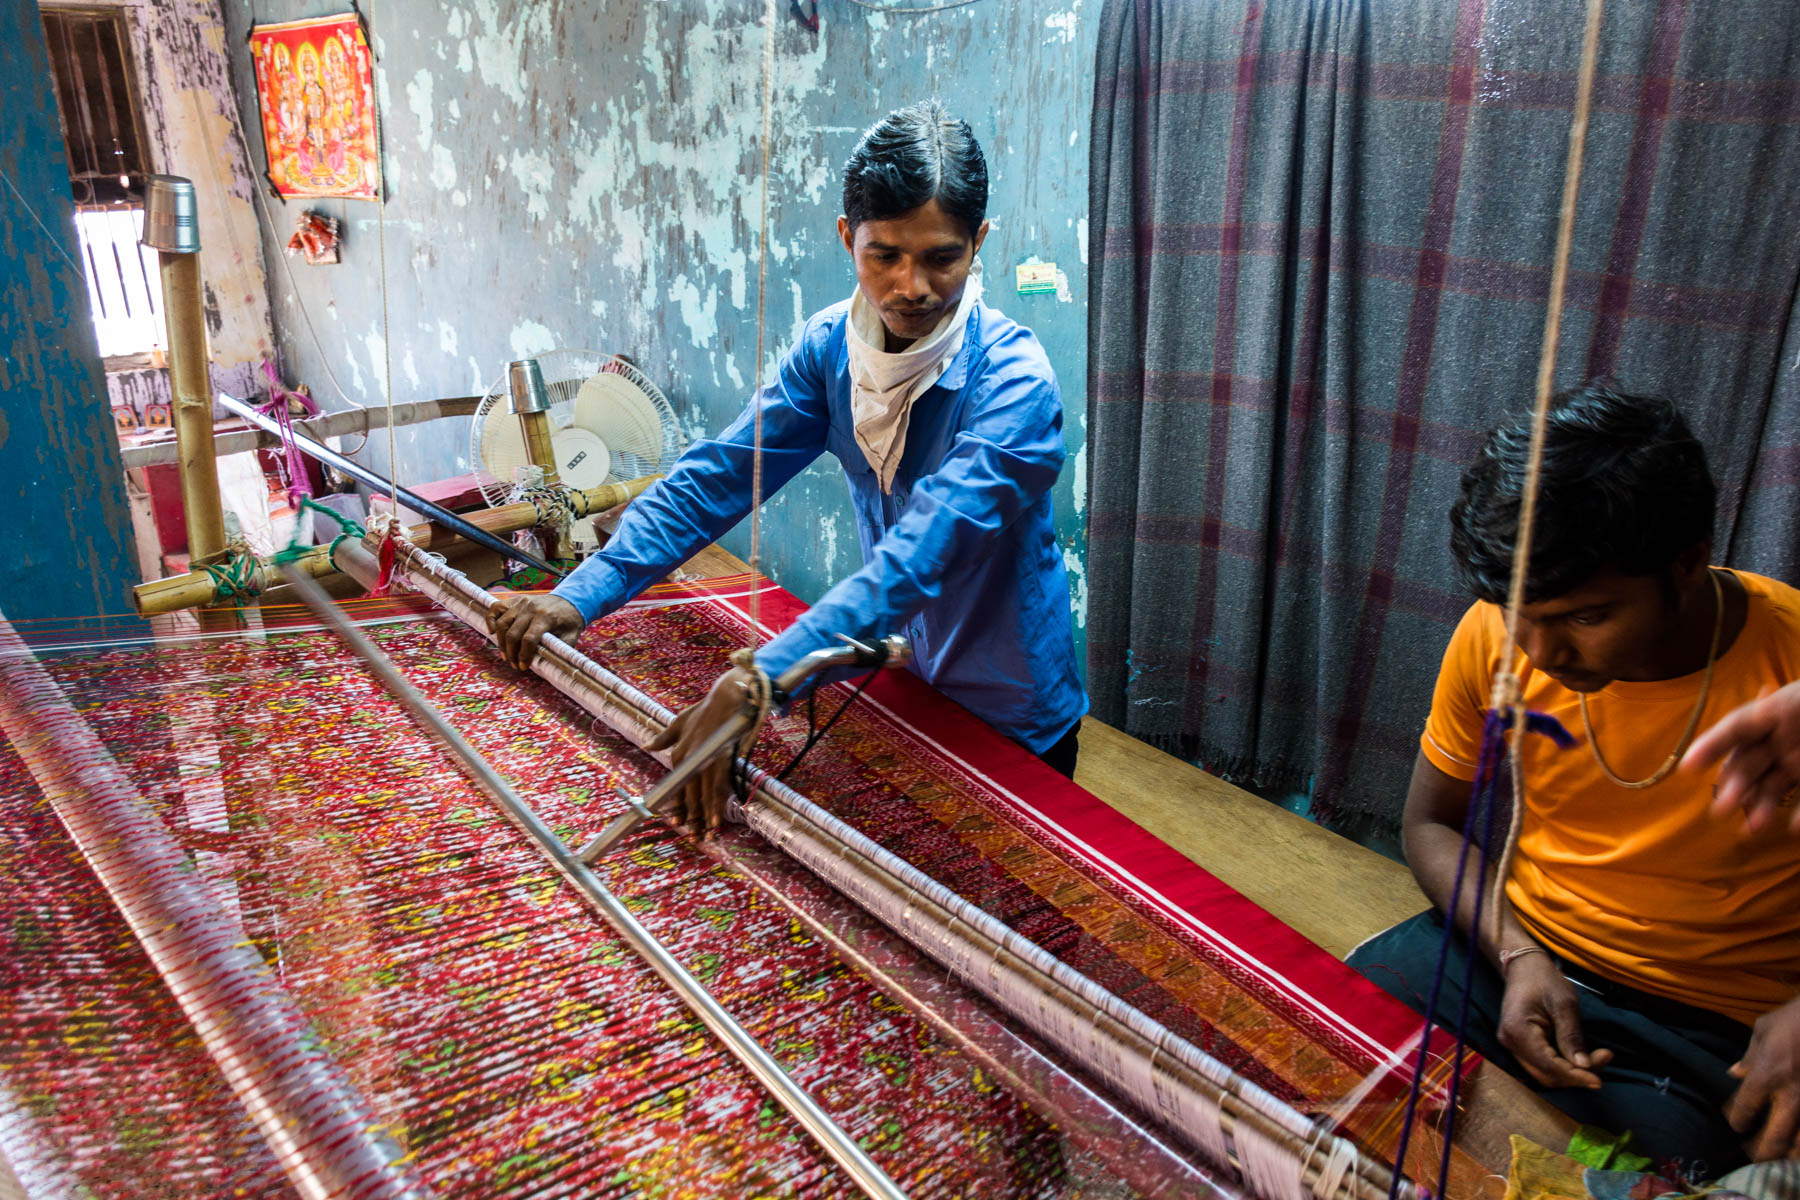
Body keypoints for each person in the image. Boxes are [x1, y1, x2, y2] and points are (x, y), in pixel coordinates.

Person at [488, 100, 1086, 833]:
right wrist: (584, 593)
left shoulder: (1015, 386)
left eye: (941, 257)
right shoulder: (829, 350)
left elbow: (926, 552)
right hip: (902, 679)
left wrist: (763, 680)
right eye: (885, 255)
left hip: (1011, 710)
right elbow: (718, 478)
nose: (912, 286)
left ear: (978, 242)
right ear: (847, 238)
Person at [1347, 386, 1800, 1175]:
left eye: (1587, 618)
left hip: (1707, 1023)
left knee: (1631, 1175)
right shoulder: (1498, 633)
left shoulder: (1790, 671)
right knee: (1316, 1035)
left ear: (1689, 562)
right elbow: (1430, 824)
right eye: (1517, 610)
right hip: (1511, 953)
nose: (1540, 652)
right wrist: (1520, 956)